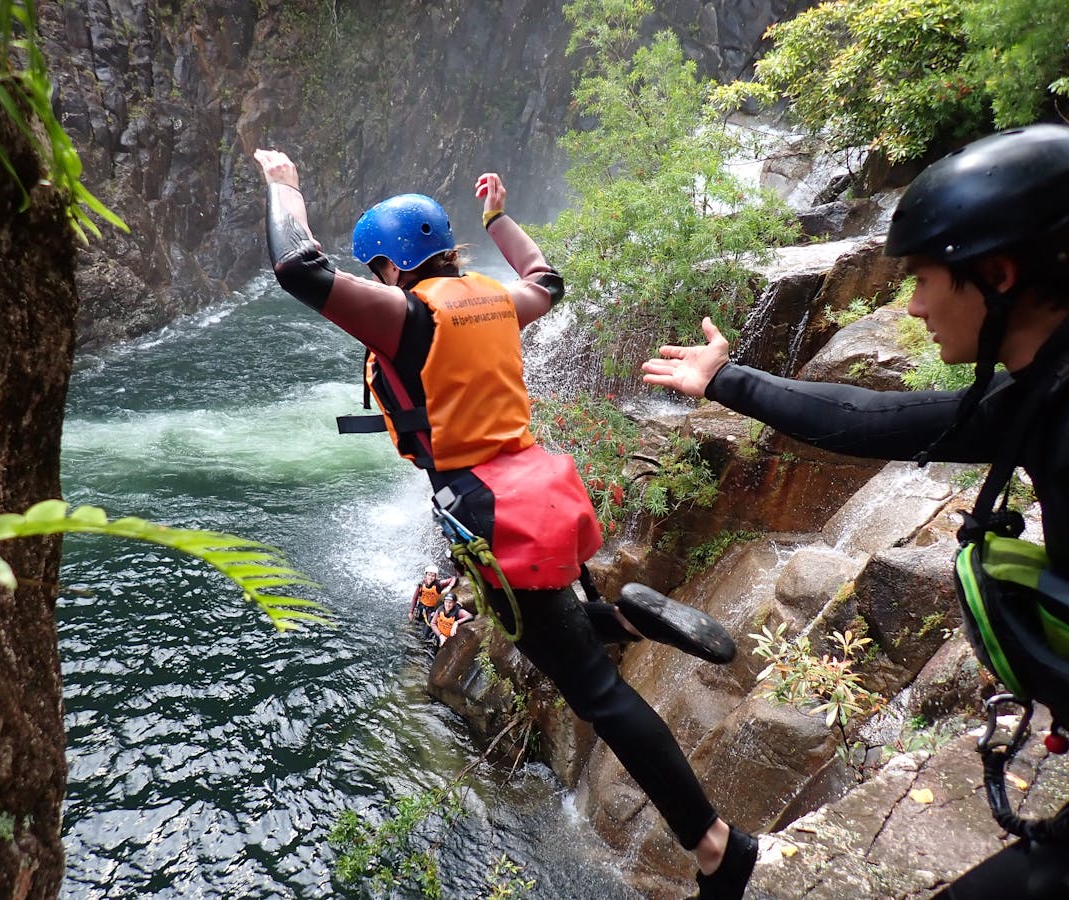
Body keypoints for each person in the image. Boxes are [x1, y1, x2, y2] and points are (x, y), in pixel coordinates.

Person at [255, 147, 755, 898]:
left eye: (376, 267)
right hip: (543, 483)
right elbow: (547, 280)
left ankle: (718, 848)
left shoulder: (404, 314)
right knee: (558, 629)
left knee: (595, 694)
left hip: (491, 511)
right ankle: (621, 616)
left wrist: (283, 188)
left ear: (391, 266)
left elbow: (297, 268)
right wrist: (500, 218)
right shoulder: (490, 295)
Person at [642, 124, 1069, 898]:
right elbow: (873, 421)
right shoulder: (1043, 393)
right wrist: (727, 379)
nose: (912, 306)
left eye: (924, 280)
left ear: (998, 274)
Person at [410, 564, 456, 636]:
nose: (430, 577)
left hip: (431, 610)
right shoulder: (421, 584)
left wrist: (449, 587)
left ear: (436, 577)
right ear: (426, 575)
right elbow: (414, 598)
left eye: (433, 576)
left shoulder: (439, 584)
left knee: (426, 631)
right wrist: (411, 612)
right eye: (429, 575)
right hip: (421, 607)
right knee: (414, 625)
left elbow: (454, 578)